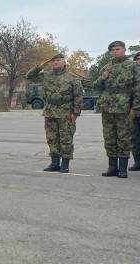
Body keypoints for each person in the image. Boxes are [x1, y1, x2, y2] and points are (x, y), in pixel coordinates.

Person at [25, 53, 83, 173]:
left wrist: (76, 113)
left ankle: (65, 163)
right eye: (53, 61)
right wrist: (40, 66)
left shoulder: (72, 77)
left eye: (58, 60)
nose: (55, 62)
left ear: (64, 62)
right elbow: (29, 76)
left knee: (66, 138)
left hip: (66, 111)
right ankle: (54, 163)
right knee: (52, 138)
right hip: (50, 110)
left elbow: (78, 96)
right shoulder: (46, 75)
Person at [94, 41, 140, 178]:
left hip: (124, 107)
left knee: (124, 138)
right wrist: (103, 78)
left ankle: (122, 169)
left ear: (124, 50)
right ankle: (112, 167)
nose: (115, 52)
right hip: (107, 107)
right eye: (113, 50)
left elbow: (138, 89)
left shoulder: (132, 66)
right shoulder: (107, 67)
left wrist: (135, 108)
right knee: (109, 138)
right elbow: (96, 86)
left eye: (118, 49)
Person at [132, 52, 140, 171]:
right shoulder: (130, 75)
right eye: (138, 59)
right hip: (134, 111)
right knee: (134, 138)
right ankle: (137, 162)